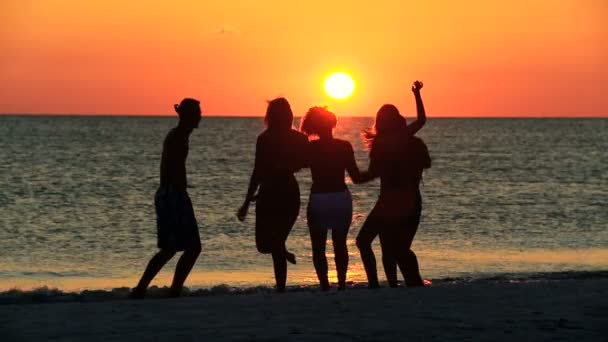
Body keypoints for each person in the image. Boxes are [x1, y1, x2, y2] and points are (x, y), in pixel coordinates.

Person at [356, 81, 429, 288]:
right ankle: (394, 285)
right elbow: (422, 120)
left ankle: (381, 286)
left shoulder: (382, 143)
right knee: (392, 247)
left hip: (390, 203)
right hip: (402, 201)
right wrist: (416, 95)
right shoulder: (401, 138)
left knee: (375, 244)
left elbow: (371, 174)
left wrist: (352, 173)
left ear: (380, 122)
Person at [132, 98, 203, 299]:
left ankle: (150, 289)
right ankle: (165, 289)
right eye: (197, 113)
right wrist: (179, 189)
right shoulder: (178, 136)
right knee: (185, 247)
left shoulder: (180, 135)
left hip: (171, 193)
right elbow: (172, 168)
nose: (200, 116)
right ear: (188, 116)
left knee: (174, 248)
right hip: (173, 195)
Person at [237, 98, 308, 293]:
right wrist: (246, 201)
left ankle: (281, 288)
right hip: (267, 193)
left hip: (286, 192)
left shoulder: (298, 138)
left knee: (277, 242)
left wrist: (288, 165)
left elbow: (308, 161)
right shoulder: (264, 139)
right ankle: (283, 253)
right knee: (263, 245)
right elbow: (257, 171)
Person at [300, 106, 370, 291]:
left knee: (318, 247)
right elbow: (356, 177)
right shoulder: (344, 146)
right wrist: (376, 172)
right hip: (340, 198)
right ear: (333, 124)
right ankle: (341, 285)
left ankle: (324, 285)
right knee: (340, 244)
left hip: (319, 199)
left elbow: (296, 164)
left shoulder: (310, 148)